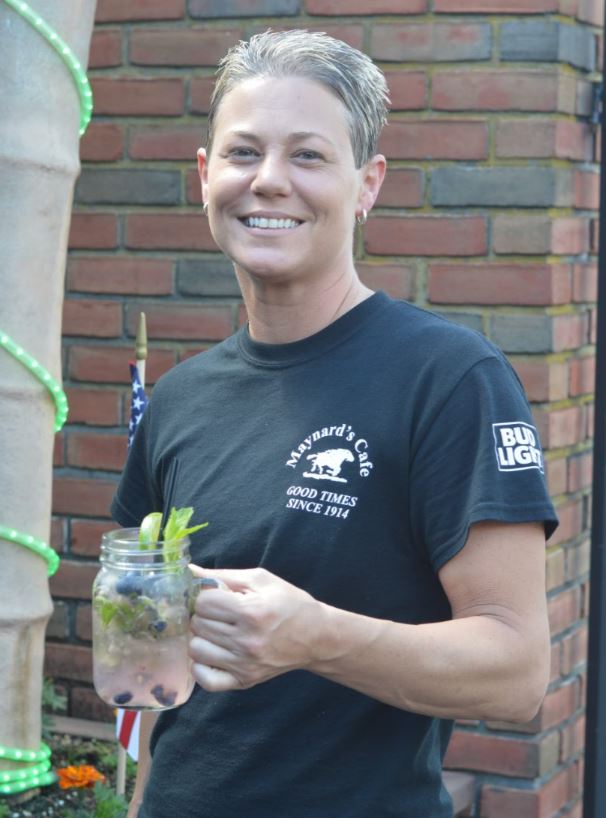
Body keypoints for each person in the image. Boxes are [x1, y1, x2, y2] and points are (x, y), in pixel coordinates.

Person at [111, 29, 558, 818]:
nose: (269, 180)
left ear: (367, 185)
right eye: (243, 153)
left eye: (309, 156)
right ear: (205, 176)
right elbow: (161, 685)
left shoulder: (449, 379)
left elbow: (516, 673)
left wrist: (315, 637)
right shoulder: (179, 399)